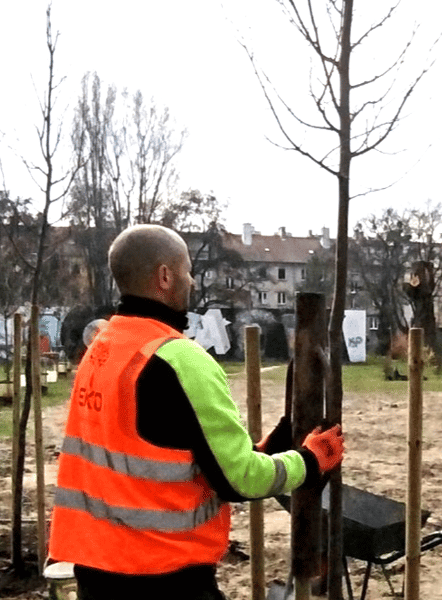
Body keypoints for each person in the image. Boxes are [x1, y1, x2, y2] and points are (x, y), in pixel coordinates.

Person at [49, 224, 344, 600]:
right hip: (165, 576)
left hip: (98, 572)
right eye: (187, 270)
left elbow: (154, 447)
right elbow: (240, 481)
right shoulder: (180, 360)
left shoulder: (104, 348)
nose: (191, 280)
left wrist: (267, 446)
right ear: (165, 276)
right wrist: (310, 460)